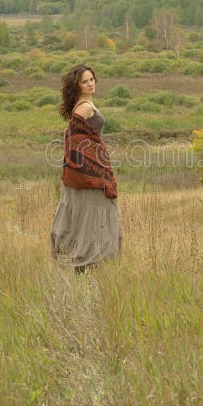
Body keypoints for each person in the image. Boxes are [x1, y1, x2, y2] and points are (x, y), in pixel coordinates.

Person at [50, 64, 121, 272]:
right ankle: (88, 261)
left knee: (90, 214)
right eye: (85, 81)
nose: (90, 84)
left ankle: (87, 261)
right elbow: (73, 140)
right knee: (98, 212)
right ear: (77, 86)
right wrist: (92, 167)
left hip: (90, 170)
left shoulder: (83, 104)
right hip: (90, 174)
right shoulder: (85, 108)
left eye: (92, 79)